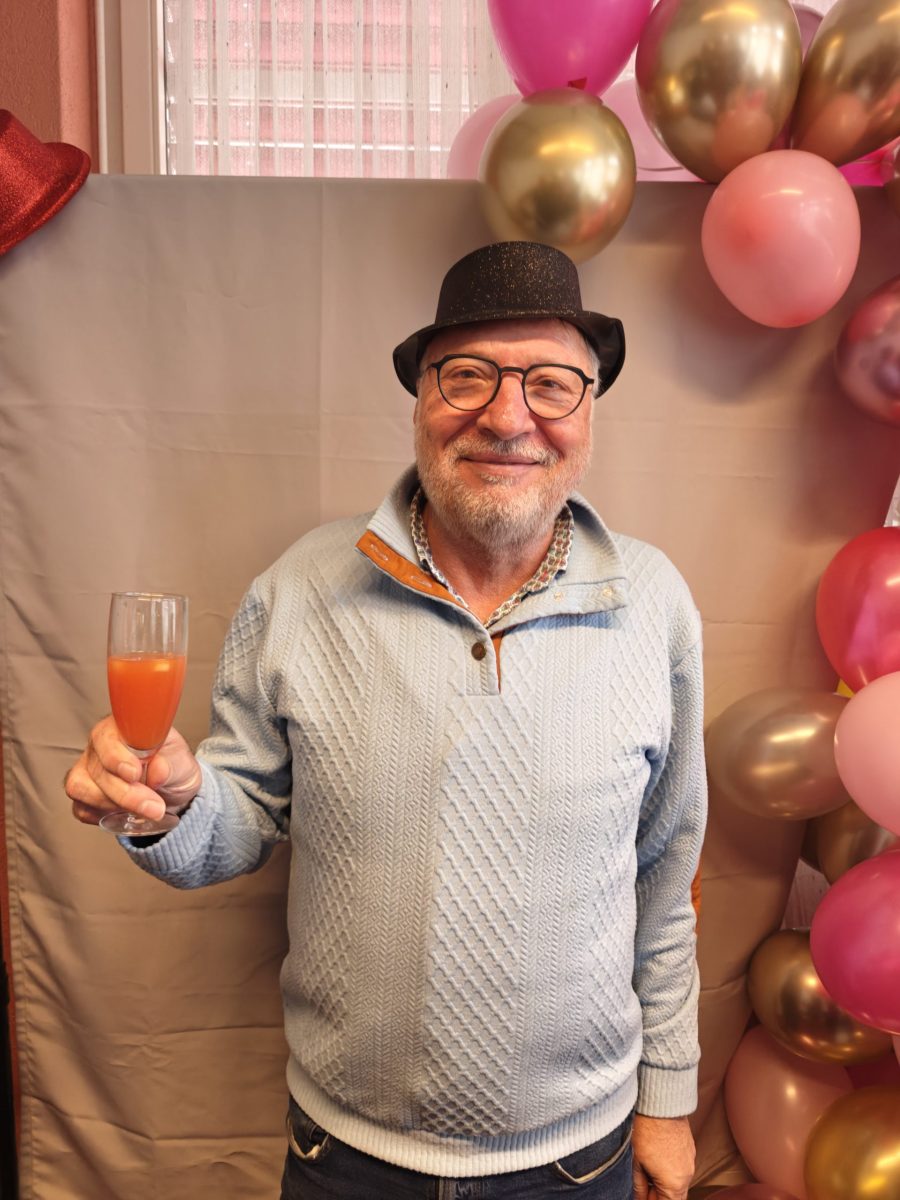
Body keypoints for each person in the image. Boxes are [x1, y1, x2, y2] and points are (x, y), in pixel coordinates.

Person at [66, 241, 707, 1200]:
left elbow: (666, 874)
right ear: (419, 402)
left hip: (579, 1161)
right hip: (345, 1162)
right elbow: (237, 826)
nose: (508, 417)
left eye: (550, 383)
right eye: (467, 376)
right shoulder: (300, 588)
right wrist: (170, 806)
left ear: (589, 412)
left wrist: (668, 1098)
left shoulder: (654, 604)